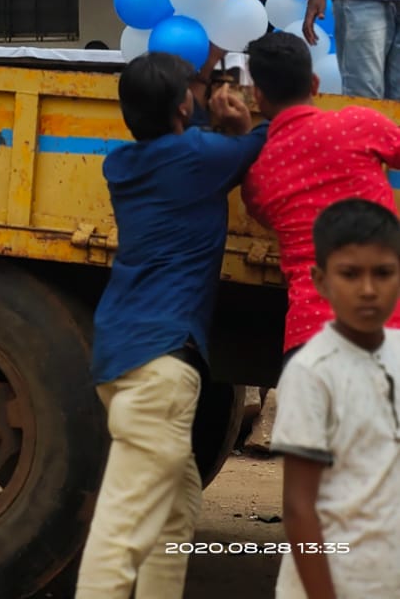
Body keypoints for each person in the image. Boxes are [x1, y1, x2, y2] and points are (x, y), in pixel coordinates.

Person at [74, 51, 267, 599]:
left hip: (121, 356)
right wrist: (242, 118)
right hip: (161, 364)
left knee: (174, 510)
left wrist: (208, 99)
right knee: (123, 531)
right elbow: (264, 138)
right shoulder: (198, 157)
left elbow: (197, 137)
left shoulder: (124, 164)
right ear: (185, 103)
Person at [242, 30, 400, 357]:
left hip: (309, 343)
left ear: (257, 95)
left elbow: (264, 215)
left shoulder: (258, 177)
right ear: (314, 83)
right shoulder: (360, 124)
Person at [271, 198, 400, 598]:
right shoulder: (312, 372)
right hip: (331, 584)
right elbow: (298, 507)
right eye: (350, 274)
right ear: (321, 281)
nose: (367, 290)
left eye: (383, 274)